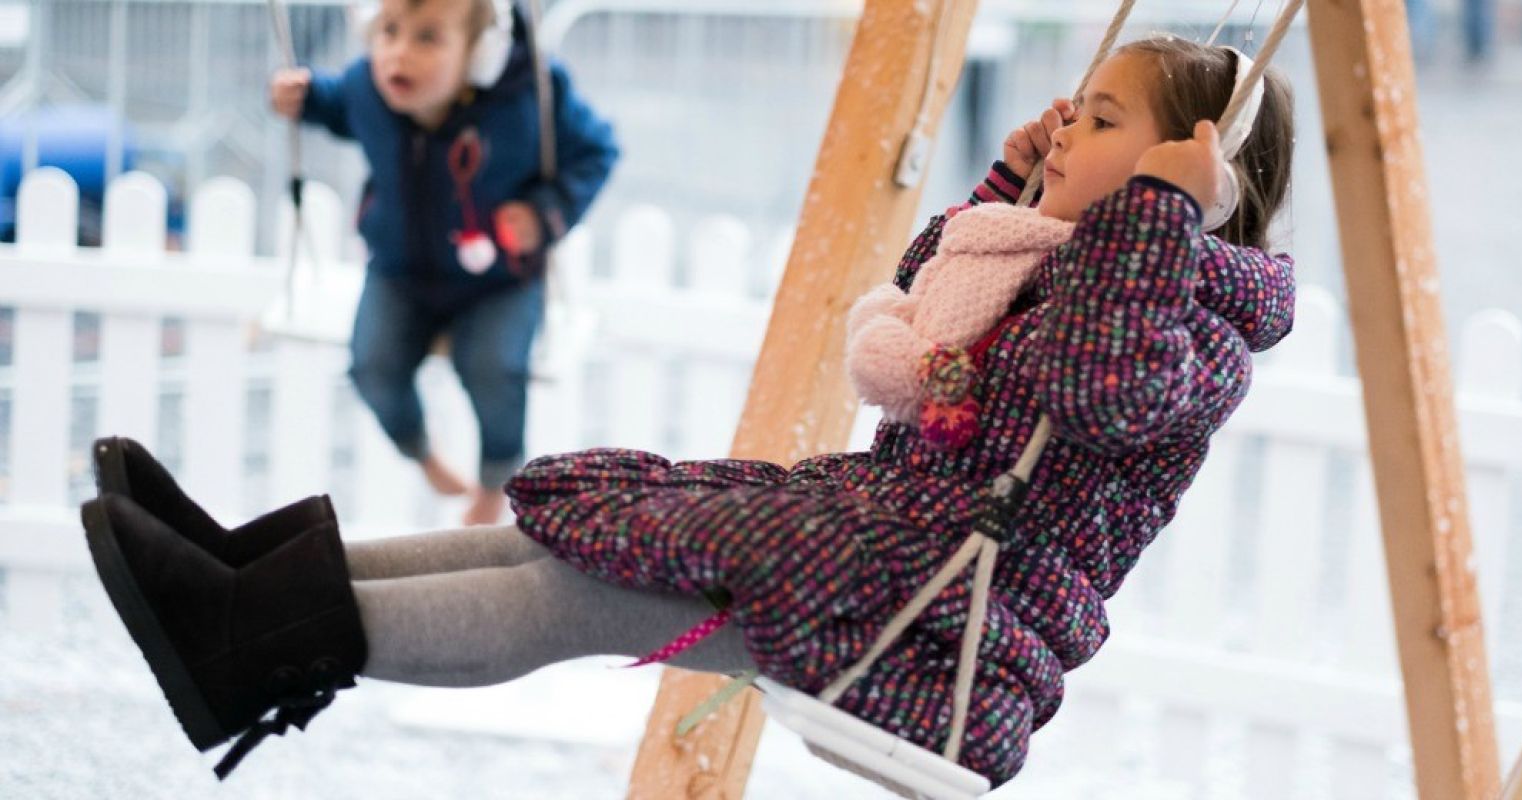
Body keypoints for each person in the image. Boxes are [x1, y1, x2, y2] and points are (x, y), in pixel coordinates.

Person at [86, 34, 1295, 788]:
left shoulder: (1191, 331)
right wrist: (1015, 183)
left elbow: (1101, 385)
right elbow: (941, 302)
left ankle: (246, 641)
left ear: (1196, 175)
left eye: (1101, 123)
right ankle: (244, 572)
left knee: (574, 593)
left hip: (932, 627)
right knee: (559, 533)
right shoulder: (1077, 258)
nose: (1070, 129)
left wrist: (1151, 211)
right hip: (874, 539)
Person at [270, 0, 618, 524]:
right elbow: (337, 105)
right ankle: (420, 451)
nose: (398, 54)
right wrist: (306, 96)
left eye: (427, 37)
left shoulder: (532, 93)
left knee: (495, 369)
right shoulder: (368, 88)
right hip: (400, 271)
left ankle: (496, 477)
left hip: (501, 278)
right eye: (388, 31)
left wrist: (547, 211)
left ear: (481, 52)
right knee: (373, 367)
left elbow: (597, 150)